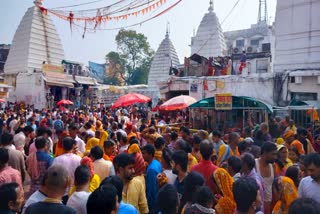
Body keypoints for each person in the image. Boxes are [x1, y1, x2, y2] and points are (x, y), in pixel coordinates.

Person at [52, 137, 81, 202]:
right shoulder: (78, 159)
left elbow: (53, 175)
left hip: (61, 192)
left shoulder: (57, 160)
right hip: (74, 192)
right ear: (73, 146)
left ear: (62, 146)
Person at [255, 142, 277, 214]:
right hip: (256, 206)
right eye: (273, 154)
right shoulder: (254, 164)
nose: (275, 157)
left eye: (275, 154)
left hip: (268, 205)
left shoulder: (273, 166)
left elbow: (273, 186)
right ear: (264, 153)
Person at [141, 144, 162, 212]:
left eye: (144, 153)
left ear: (150, 154)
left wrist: (150, 206)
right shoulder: (156, 163)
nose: (142, 155)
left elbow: (151, 190)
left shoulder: (151, 169)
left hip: (153, 203)